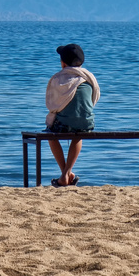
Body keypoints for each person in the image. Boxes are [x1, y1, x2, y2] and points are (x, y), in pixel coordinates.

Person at [45, 43, 100, 187]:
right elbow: (94, 99)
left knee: (50, 134)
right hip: (86, 122)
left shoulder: (58, 79)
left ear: (63, 63)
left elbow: (52, 105)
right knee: (78, 133)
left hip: (64, 125)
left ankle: (64, 174)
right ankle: (67, 173)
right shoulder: (89, 78)